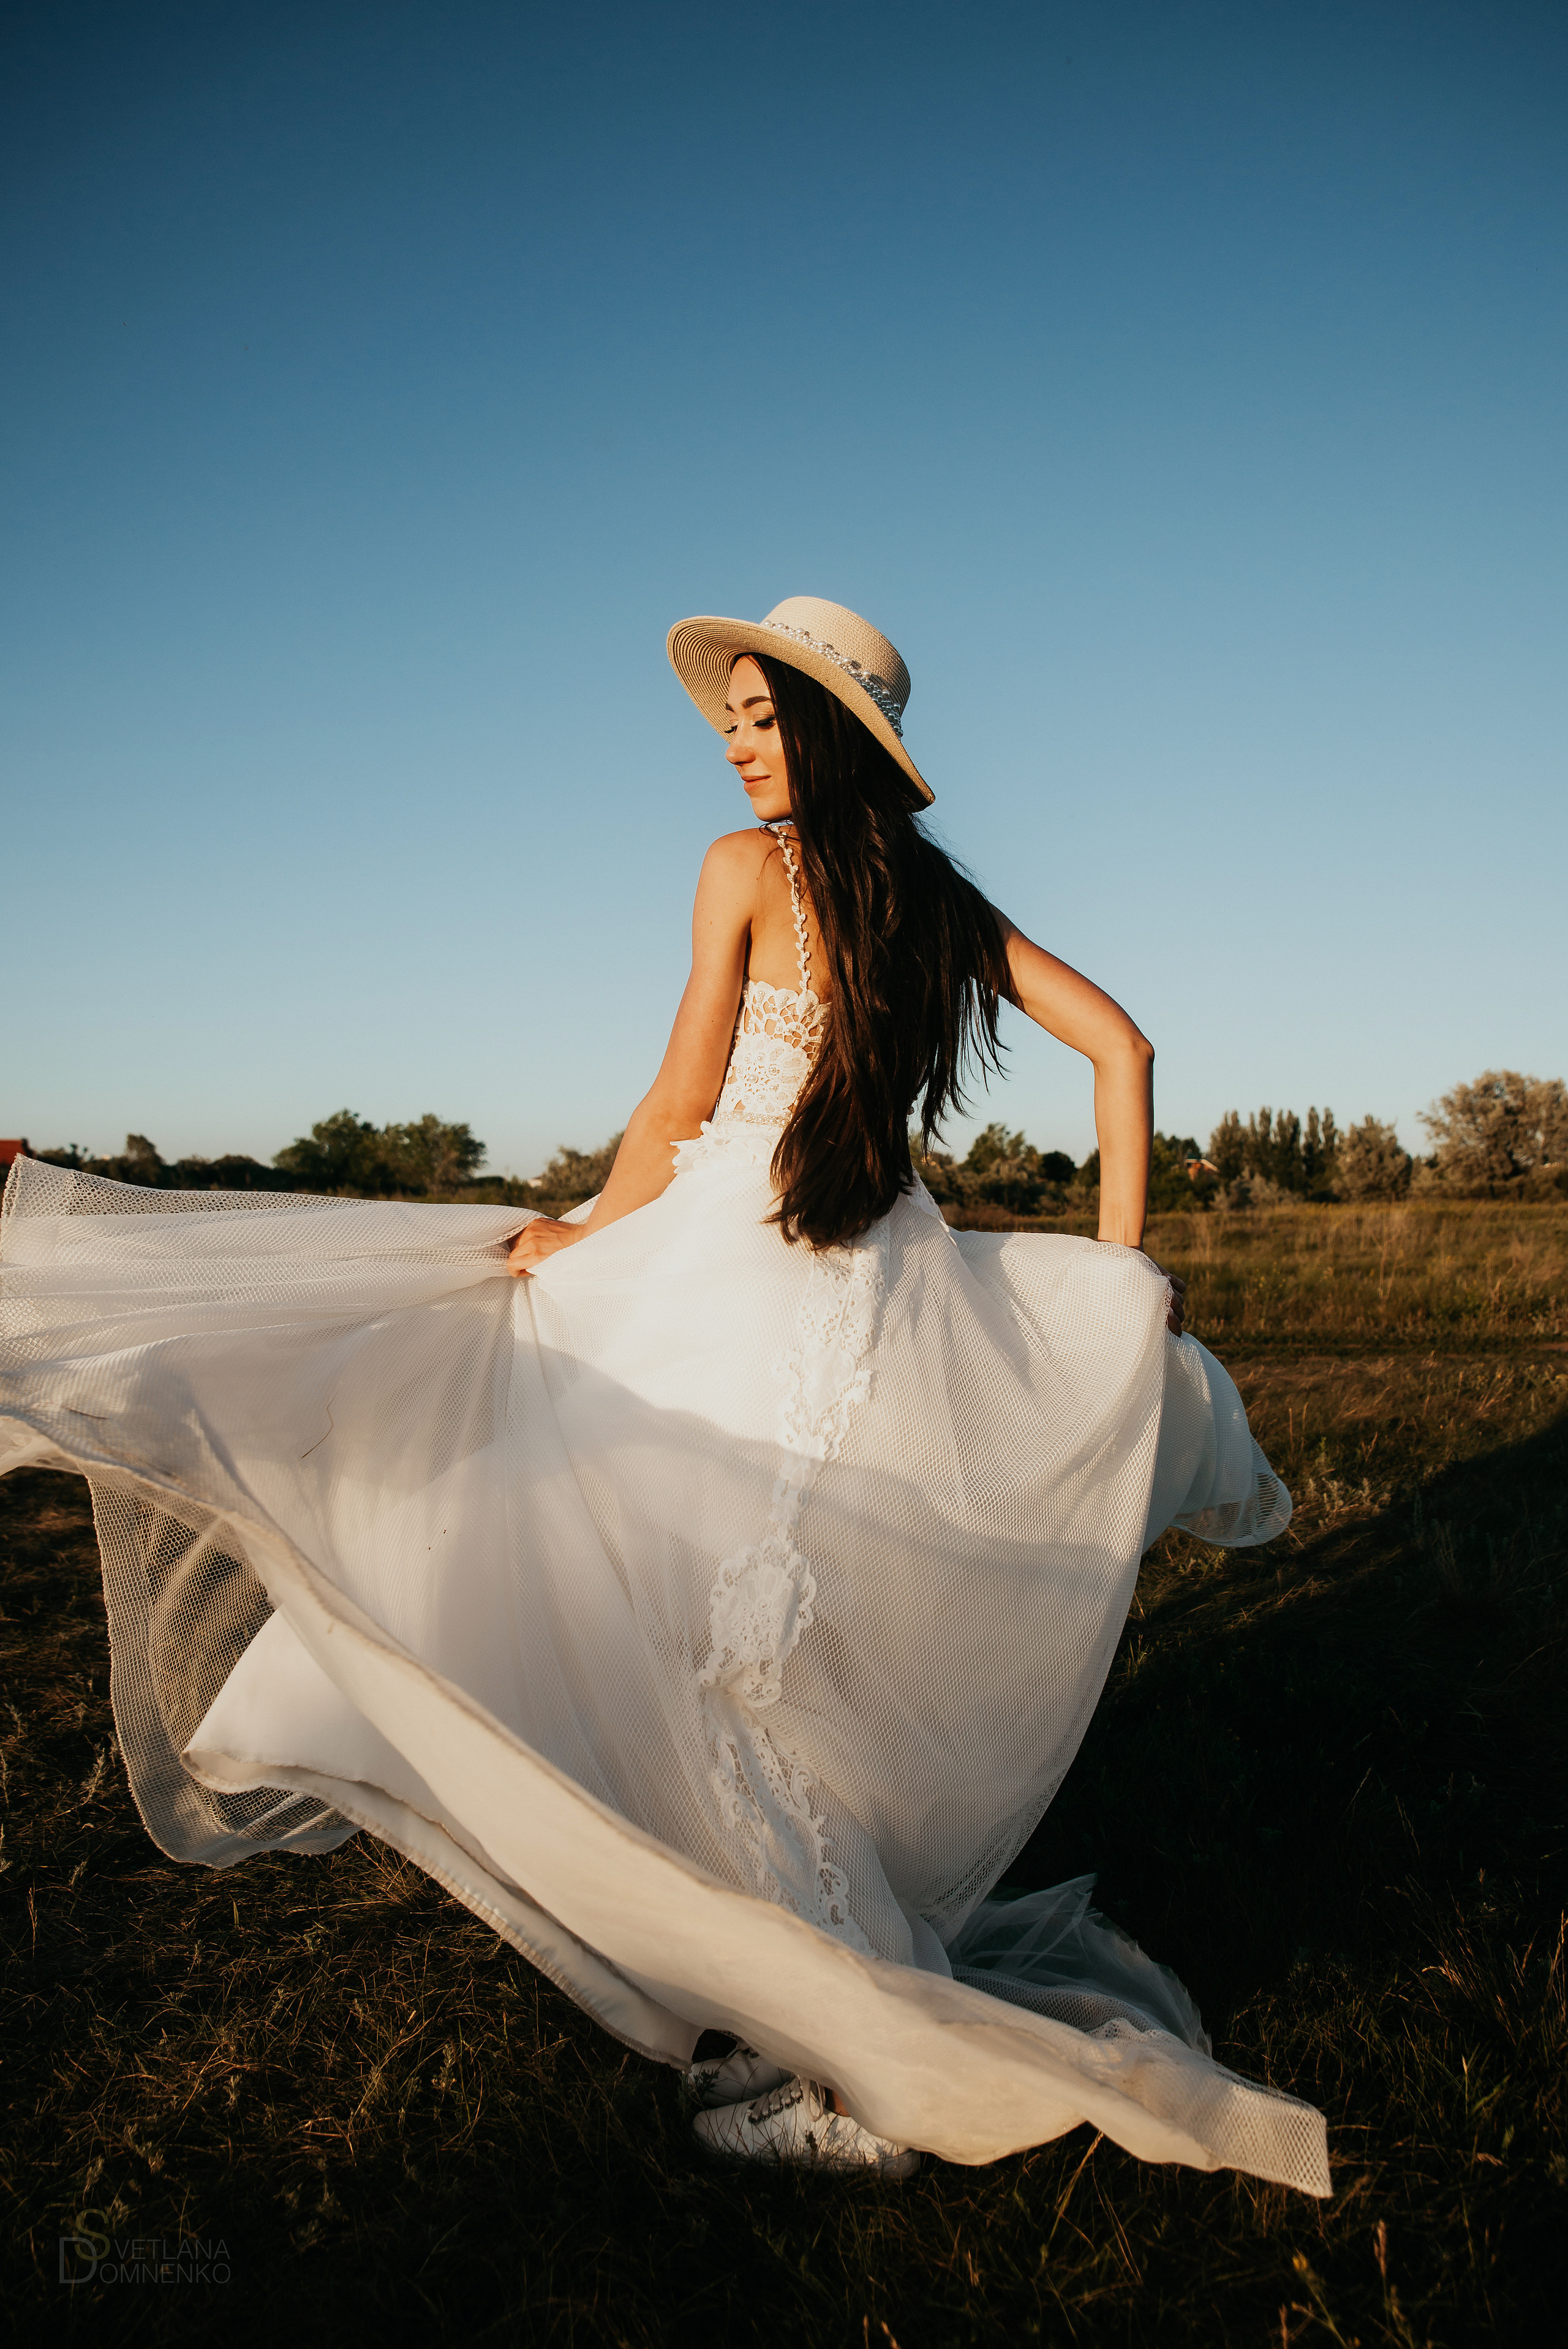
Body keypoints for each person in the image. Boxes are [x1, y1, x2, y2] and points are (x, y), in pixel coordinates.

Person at [0, 597, 1328, 2197]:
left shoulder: (741, 870)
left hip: (740, 1255)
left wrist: (578, 1230)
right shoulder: (935, 898)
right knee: (746, 1642)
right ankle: (798, 2010)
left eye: (764, 720)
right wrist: (1121, 1271)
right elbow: (1122, 1046)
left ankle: (841, 2054)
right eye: (734, 725)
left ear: (828, 729)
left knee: (646, 1592)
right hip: (871, 1275)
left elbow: (681, 1095)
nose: (739, 745)